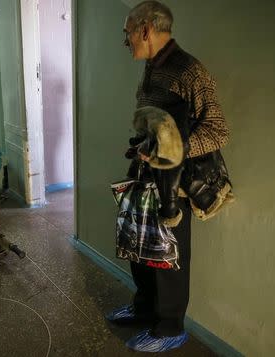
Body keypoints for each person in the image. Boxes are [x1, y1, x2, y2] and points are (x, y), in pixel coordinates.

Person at [106, 1, 230, 353]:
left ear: (145, 29)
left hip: (174, 183)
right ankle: (144, 309)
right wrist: (145, 146)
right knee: (139, 248)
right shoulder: (152, 66)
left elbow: (218, 131)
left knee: (167, 256)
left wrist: (170, 149)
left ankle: (170, 327)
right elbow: (160, 123)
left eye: (127, 32)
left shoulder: (189, 71)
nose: (125, 40)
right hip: (146, 174)